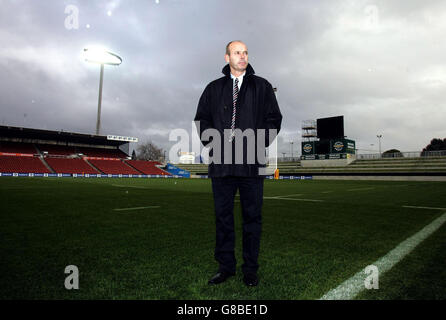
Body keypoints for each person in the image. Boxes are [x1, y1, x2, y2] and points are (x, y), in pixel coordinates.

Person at [194, 40, 282, 287]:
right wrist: (214, 144)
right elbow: (201, 120)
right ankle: (225, 267)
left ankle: (250, 269)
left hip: (251, 164)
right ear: (227, 58)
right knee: (223, 218)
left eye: (245, 52)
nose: (242, 56)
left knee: (252, 218)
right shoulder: (213, 88)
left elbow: (274, 119)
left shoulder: (262, 86)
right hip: (221, 164)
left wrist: (256, 143)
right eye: (236, 53)